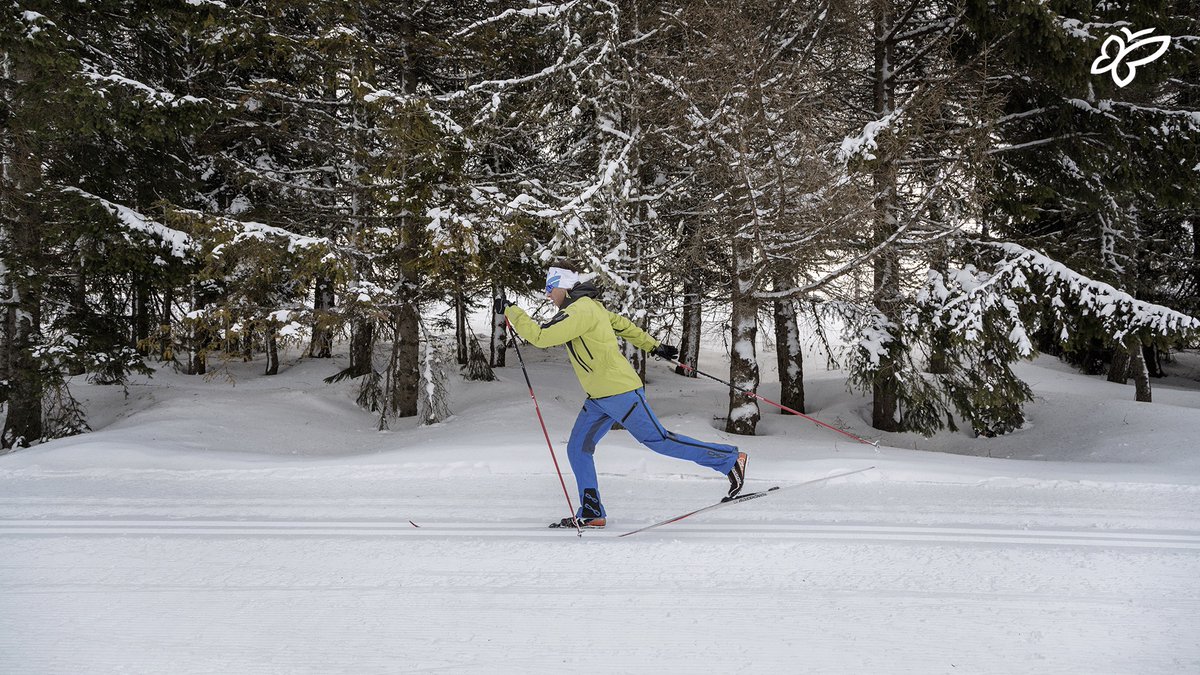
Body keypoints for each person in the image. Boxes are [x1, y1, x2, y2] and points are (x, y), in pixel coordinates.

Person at [497, 262, 747, 529]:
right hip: (599, 397)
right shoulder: (590, 308)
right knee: (577, 449)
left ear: (565, 286)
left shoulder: (579, 311)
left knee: (659, 440)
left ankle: (730, 460)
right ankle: (592, 511)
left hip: (619, 393)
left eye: (550, 287)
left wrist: (511, 310)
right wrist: (654, 346)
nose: (547, 295)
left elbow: (540, 336)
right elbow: (623, 325)